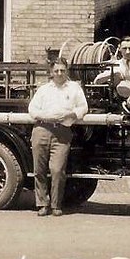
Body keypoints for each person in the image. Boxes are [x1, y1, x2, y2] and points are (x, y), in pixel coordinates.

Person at [28, 58, 89, 217]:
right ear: (51, 72)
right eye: (56, 71)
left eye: (62, 70)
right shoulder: (44, 89)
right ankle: (42, 204)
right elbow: (32, 109)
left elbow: (83, 107)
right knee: (39, 170)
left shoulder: (74, 88)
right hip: (42, 129)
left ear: (67, 71)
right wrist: (47, 117)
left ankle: (56, 205)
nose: (59, 73)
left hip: (62, 132)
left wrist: (71, 114)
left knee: (57, 169)